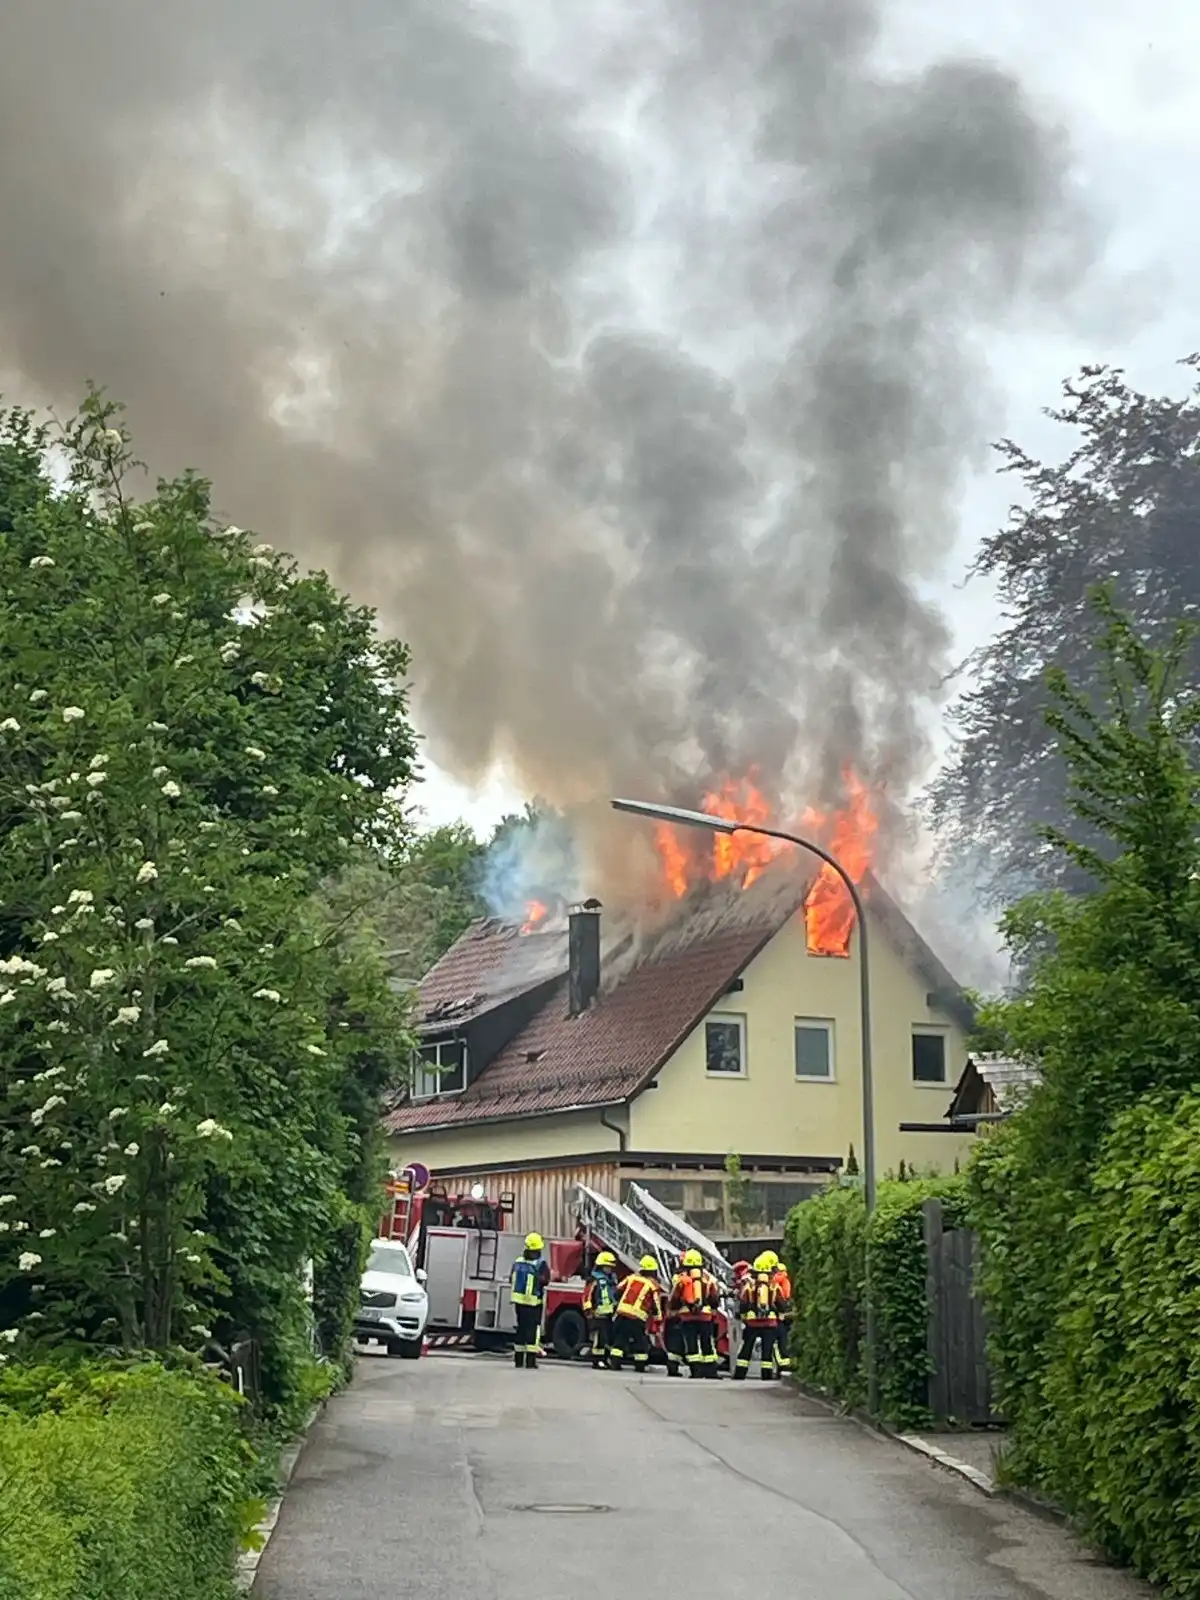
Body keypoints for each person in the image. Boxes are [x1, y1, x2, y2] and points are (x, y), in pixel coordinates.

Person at [668, 1248, 722, 1378]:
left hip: (687, 1316)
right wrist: (712, 1308)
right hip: (705, 1316)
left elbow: (674, 1298)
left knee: (691, 1343)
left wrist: (674, 1309)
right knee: (707, 1343)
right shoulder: (708, 1279)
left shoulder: (681, 1279)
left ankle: (695, 1372)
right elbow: (714, 1298)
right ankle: (711, 1372)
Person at [734, 1251, 785, 1381]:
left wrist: (744, 1316)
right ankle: (766, 1377)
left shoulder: (749, 1286)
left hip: (752, 1323)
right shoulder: (774, 1286)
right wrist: (780, 1314)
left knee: (746, 1349)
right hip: (770, 1324)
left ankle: (740, 1375)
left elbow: (743, 1304)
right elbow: (781, 1305)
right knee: (767, 1352)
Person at [608, 1255, 664, 1373]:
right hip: (637, 1317)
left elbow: (617, 1291)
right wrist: (658, 1319)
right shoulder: (652, 1285)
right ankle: (640, 1366)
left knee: (620, 1339)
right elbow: (656, 1304)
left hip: (622, 1314)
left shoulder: (631, 1278)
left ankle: (615, 1364)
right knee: (640, 1342)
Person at [510, 1232, 550, 1369]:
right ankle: (531, 1362)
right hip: (533, 1303)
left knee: (521, 1330)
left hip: (519, 1302)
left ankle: (519, 1360)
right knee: (532, 1331)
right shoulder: (540, 1264)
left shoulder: (518, 1262)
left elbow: (512, 1279)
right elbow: (546, 1280)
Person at [583, 1249, 620, 1369]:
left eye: (611, 1267)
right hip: (598, 1314)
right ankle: (597, 1361)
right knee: (599, 1339)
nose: (610, 1269)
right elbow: (587, 1295)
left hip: (609, 1314)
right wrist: (588, 1311)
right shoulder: (594, 1279)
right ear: (601, 1266)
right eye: (607, 1266)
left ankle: (604, 1359)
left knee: (606, 1339)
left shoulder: (612, 1279)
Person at [765, 1251, 793, 1377]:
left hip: (776, 1317)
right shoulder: (785, 1281)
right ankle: (785, 1366)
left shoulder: (775, 1282)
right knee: (783, 1342)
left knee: (776, 1344)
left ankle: (781, 1367)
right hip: (784, 1314)